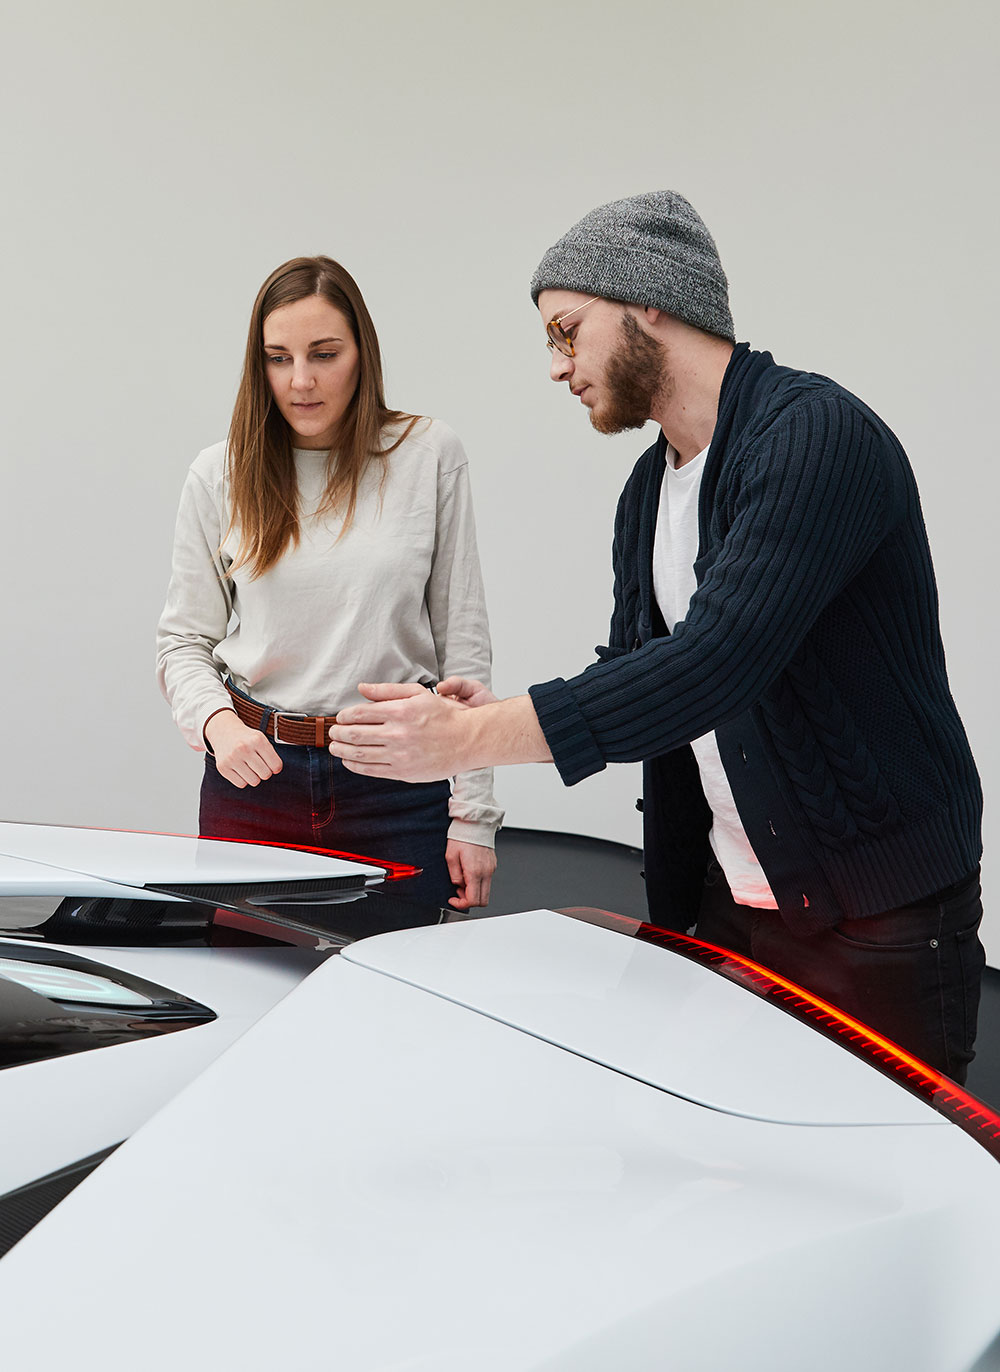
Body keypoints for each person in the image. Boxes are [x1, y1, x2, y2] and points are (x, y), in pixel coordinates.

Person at [327, 192, 986, 1082]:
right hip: (730, 897)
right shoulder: (651, 487)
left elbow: (719, 661)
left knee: (897, 1182)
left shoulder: (817, 437)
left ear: (649, 303)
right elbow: (647, 668)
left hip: (879, 913)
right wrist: (494, 707)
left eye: (568, 331)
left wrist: (479, 738)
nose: (558, 367)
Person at [157, 254, 501, 913]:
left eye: (324, 353)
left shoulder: (428, 454)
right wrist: (217, 726)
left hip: (398, 781)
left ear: (361, 354)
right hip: (255, 785)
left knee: (404, 1001)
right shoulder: (218, 473)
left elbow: (464, 648)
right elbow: (181, 642)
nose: (301, 380)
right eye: (278, 358)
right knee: (250, 998)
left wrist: (474, 814)